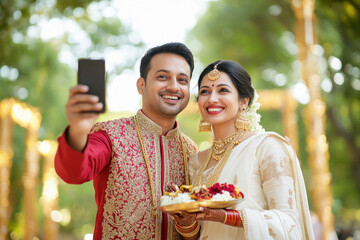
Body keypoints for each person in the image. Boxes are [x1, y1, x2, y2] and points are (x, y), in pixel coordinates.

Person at [54, 42, 198, 240]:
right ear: (141, 85)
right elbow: (73, 173)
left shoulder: (191, 150)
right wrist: (78, 130)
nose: (174, 86)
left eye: (182, 80)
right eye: (162, 77)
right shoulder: (110, 135)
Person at [172, 60, 315, 240]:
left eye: (223, 90)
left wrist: (228, 217)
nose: (212, 99)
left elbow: (289, 222)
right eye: (204, 92)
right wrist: (185, 222)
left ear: (244, 101)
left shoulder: (266, 147)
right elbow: (202, 233)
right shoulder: (195, 162)